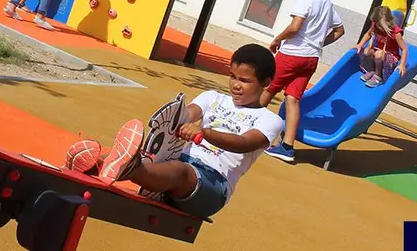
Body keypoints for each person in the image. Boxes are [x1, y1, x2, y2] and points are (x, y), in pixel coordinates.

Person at [68, 44, 284, 219]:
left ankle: (127, 169)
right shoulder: (213, 98)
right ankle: (92, 162)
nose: (236, 85)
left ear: (266, 83)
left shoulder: (270, 120)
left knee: (180, 171)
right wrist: (177, 119)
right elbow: (187, 114)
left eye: (245, 81)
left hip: (213, 184)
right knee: (155, 157)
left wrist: (203, 133)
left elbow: (244, 142)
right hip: (177, 160)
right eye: (233, 77)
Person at [260, 0, 345, 163]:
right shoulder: (328, 4)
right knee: (293, 99)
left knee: (268, 89)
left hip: (292, 54)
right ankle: (287, 147)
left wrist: (277, 39)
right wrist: (318, 43)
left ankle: (246, 127)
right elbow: (340, 31)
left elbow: (295, 26)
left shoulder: (306, 0)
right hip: (311, 57)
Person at [353, 6, 408, 87]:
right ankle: (372, 71)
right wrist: (360, 44)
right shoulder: (375, 25)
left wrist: (402, 65)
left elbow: (404, 49)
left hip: (391, 60)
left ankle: (378, 76)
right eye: (377, 25)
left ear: (388, 22)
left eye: (381, 25)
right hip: (379, 53)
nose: (378, 27)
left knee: (378, 54)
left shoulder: (396, 32)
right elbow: (368, 34)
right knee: (367, 51)